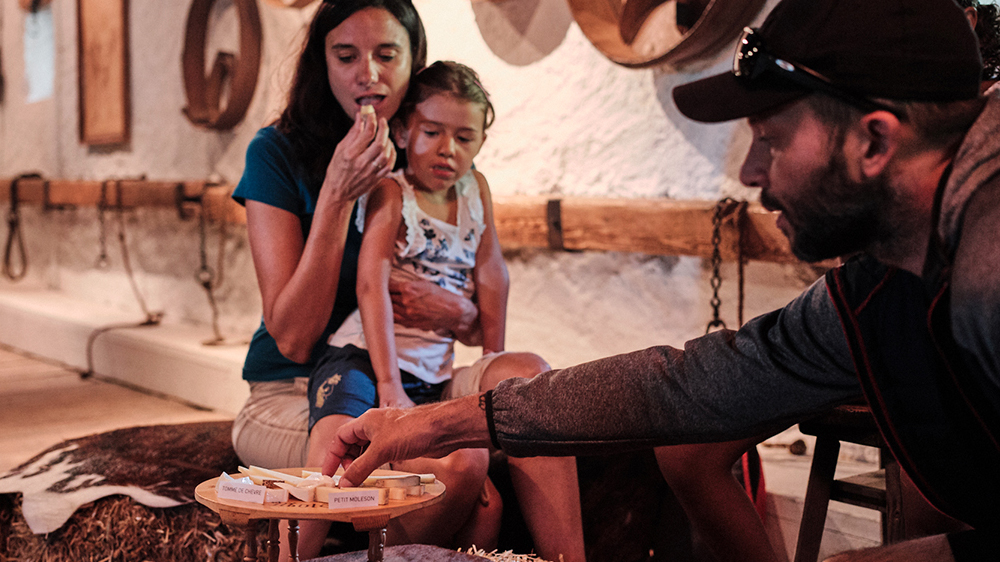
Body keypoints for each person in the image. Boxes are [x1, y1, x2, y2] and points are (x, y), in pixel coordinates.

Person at [318, 0, 1000, 560]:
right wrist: (438, 423)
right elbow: (691, 386)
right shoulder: (880, 280)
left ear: (875, 143)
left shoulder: (987, 272)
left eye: (772, 138)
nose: (754, 176)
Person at [228, 1, 531, 559]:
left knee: (525, 393)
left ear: (414, 60)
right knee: (463, 479)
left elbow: (470, 295)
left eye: (387, 53)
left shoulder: (436, 158)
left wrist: (461, 318)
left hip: (413, 374)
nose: (368, 73)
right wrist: (338, 194)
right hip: (296, 388)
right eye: (346, 55)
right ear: (323, 62)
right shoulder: (277, 154)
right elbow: (293, 336)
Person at [305, 60, 585, 562]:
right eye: (432, 132)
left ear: (480, 143)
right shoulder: (394, 192)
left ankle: (568, 558)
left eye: (464, 137)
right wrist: (388, 382)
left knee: (530, 373)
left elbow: (492, 270)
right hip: (369, 355)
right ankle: (295, 553)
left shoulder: (475, 190)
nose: (447, 150)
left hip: (434, 369)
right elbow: (371, 283)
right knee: (333, 433)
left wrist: (491, 361)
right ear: (406, 129)